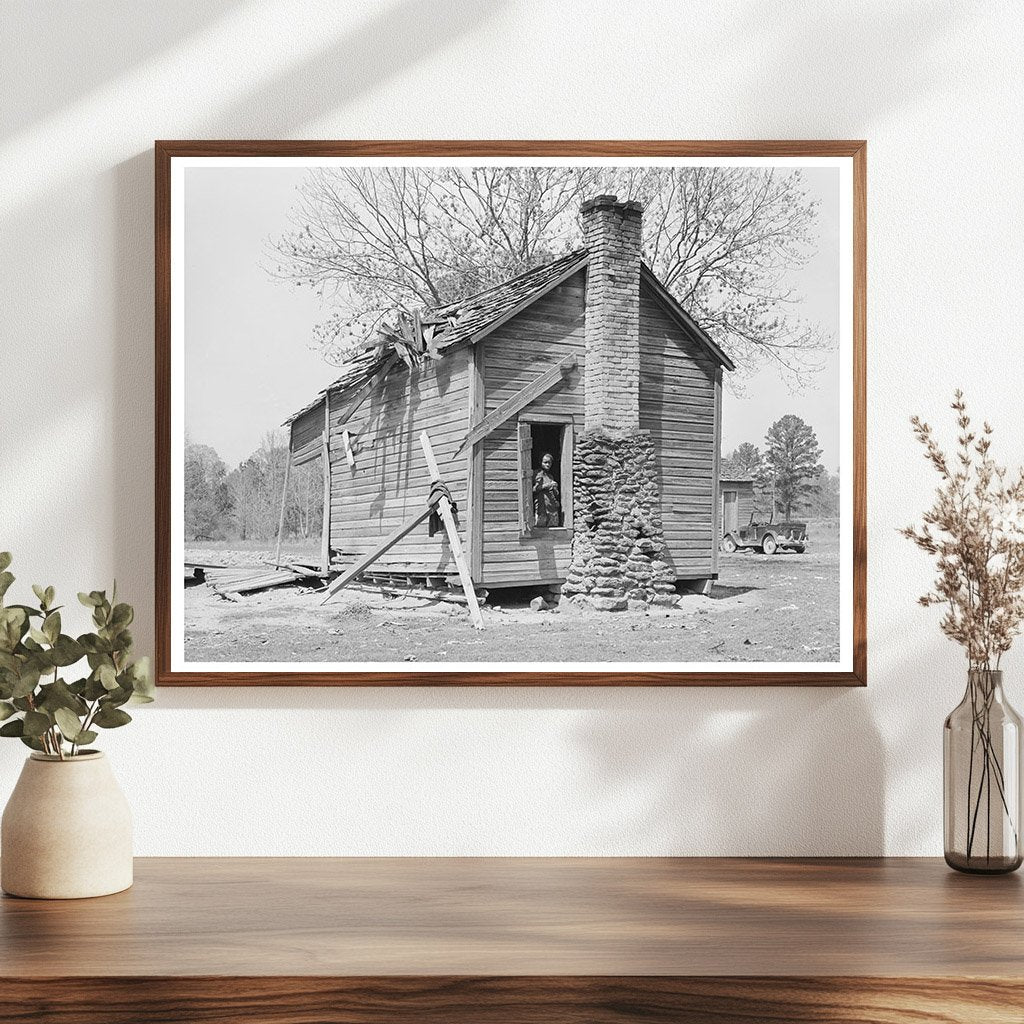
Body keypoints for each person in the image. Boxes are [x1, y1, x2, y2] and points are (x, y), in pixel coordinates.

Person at [533, 452, 561, 527]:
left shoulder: (550, 476)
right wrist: (546, 485)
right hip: (541, 508)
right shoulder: (535, 474)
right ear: (540, 462)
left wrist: (555, 488)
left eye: (550, 463)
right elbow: (532, 489)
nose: (548, 465)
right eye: (545, 462)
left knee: (553, 532)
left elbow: (555, 493)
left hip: (551, 507)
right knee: (539, 530)